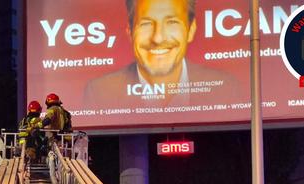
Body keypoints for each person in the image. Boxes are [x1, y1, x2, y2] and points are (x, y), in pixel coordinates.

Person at [83, 0, 238, 109]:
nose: (158, 38)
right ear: (130, 33)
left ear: (191, 30)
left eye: (172, 22)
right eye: (146, 24)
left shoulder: (225, 88)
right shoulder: (99, 93)